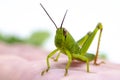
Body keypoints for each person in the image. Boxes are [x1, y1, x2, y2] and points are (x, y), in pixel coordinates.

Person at [0, 43, 120, 80]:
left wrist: (67, 70)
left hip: (80, 54)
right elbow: (49, 57)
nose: (58, 36)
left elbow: (69, 57)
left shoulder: (70, 53)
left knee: (95, 30)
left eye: (62, 34)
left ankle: (95, 61)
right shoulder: (61, 48)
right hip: (70, 52)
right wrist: (53, 61)